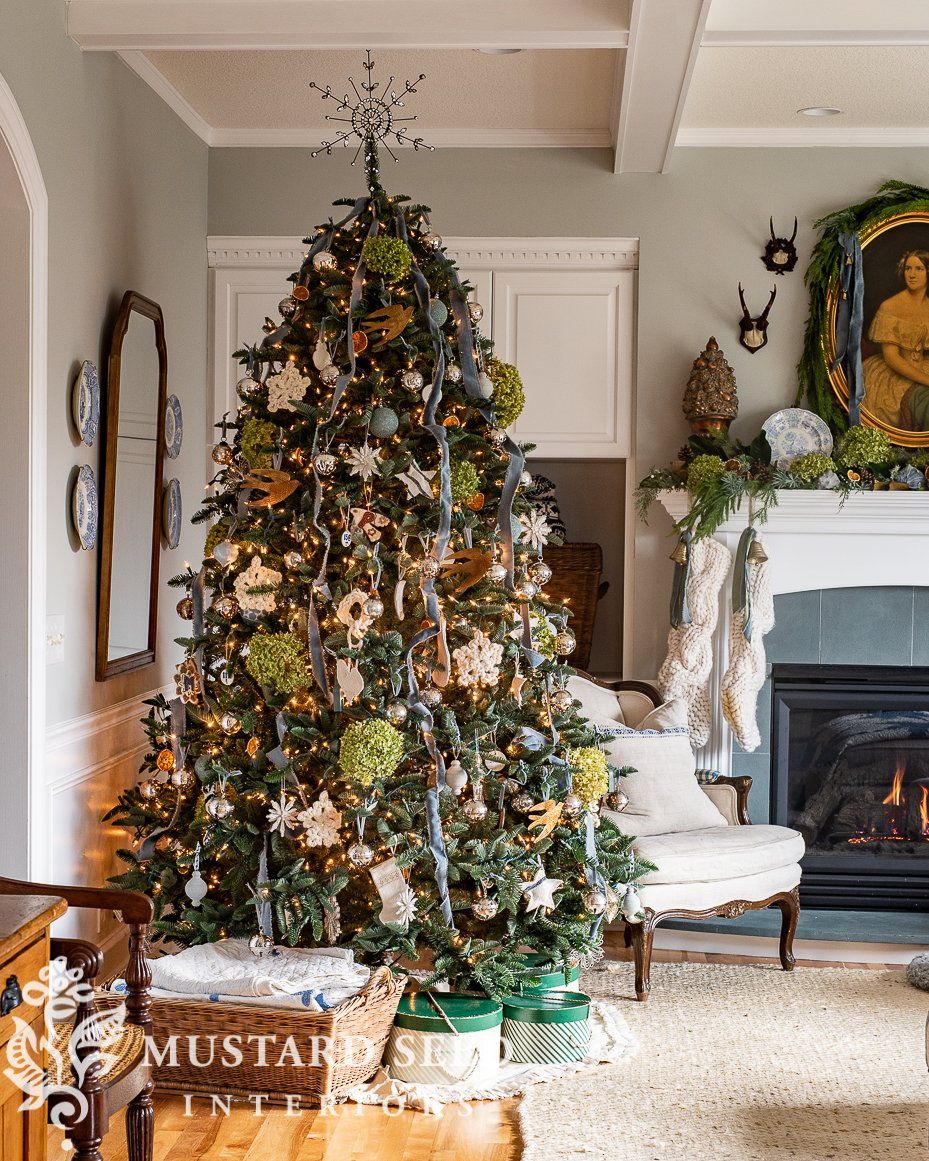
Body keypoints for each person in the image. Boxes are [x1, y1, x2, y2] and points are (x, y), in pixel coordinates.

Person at [862, 249, 929, 431]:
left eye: (919, 269)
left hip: (923, 365)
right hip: (892, 374)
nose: (912, 275)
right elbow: (892, 358)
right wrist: (926, 380)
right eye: (908, 268)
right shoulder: (890, 306)